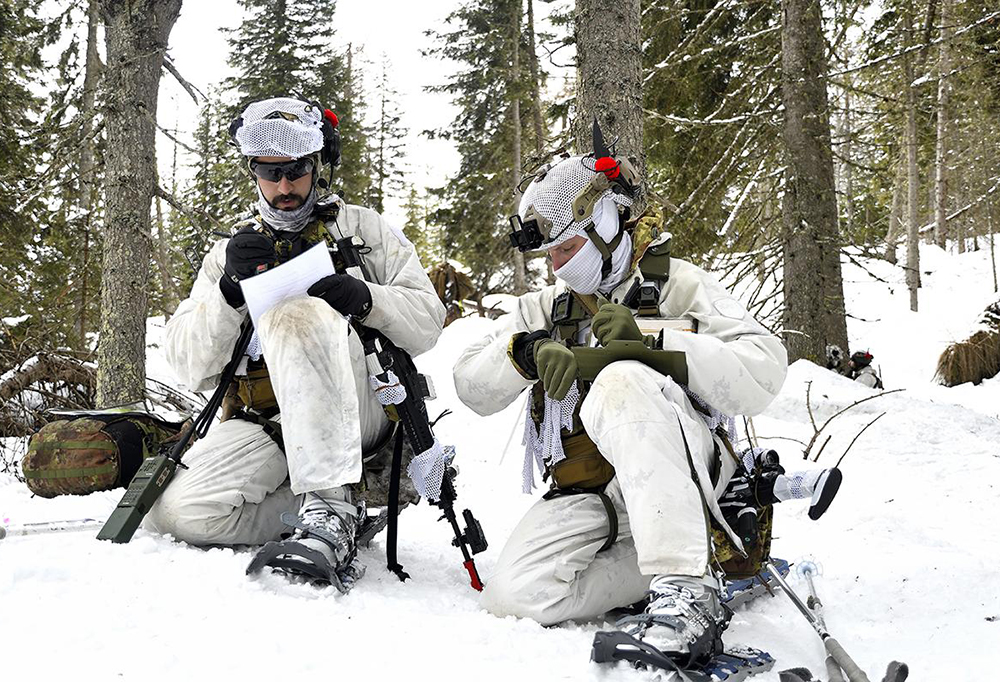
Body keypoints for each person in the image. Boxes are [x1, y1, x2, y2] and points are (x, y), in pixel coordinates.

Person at [452, 140, 787, 667]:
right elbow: (470, 384)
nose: (557, 266)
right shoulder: (546, 307)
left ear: (606, 223)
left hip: (692, 474)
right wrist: (522, 351)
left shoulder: (678, 283)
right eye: (550, 255)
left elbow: (764, 370)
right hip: (597, 498)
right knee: (515, 596)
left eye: (567, 248)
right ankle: (675, 568)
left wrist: (656, 339)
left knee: (620, 381)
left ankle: (687, 591)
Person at [145, 97, 444, 583]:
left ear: (317, 165)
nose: (283, 187)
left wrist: (366, 298)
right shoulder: (229, 254)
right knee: (181, 512)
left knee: (299, 316)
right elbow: (189, 366)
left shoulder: (363, 229)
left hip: (361, 411)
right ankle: (337, 508)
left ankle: (332, 507)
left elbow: (430, 321)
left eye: (295, 172)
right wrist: (227, 293)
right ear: (253, 173)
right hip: (270, 421)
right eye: (269, 173)